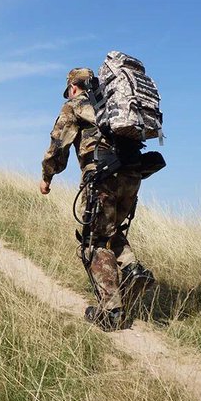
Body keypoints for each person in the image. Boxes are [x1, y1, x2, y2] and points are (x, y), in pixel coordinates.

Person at [39, 67, 155, 330]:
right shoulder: (114, 108)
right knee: (111, 232)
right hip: (132, 176)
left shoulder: (75, 105)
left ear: (74, 87)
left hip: (102, 177)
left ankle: (111, 312)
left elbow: (58, 145)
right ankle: (132, 268)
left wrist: (47, 177)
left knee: (94, 242)